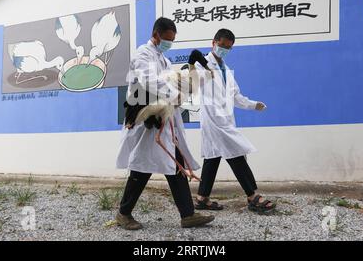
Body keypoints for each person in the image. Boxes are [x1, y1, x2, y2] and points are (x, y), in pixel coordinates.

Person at [115, 17, 215, 230]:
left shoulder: (164, 60)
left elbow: (172, 81)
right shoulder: (143, 54)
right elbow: (149, 81)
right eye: (167, 39)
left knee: (174, 161)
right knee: (142, 167)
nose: (169, 43)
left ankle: (188, 215)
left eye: (172, 40)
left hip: (164, 116)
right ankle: (123, 213)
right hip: (146, 117)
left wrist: (185, 90)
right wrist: (175, 94)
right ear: (156, 34)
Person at [194, 29, 275, 214]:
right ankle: (253, 196)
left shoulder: (227, 70)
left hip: (225, 121)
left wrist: (253, 105)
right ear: (213, 42)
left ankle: (201, 198)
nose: (224, 50)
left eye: (228, 48)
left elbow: (235, 96)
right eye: (222, 46)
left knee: (213, 157)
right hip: (214, 121)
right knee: (236, 154)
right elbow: (193, 83)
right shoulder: (201, 66)